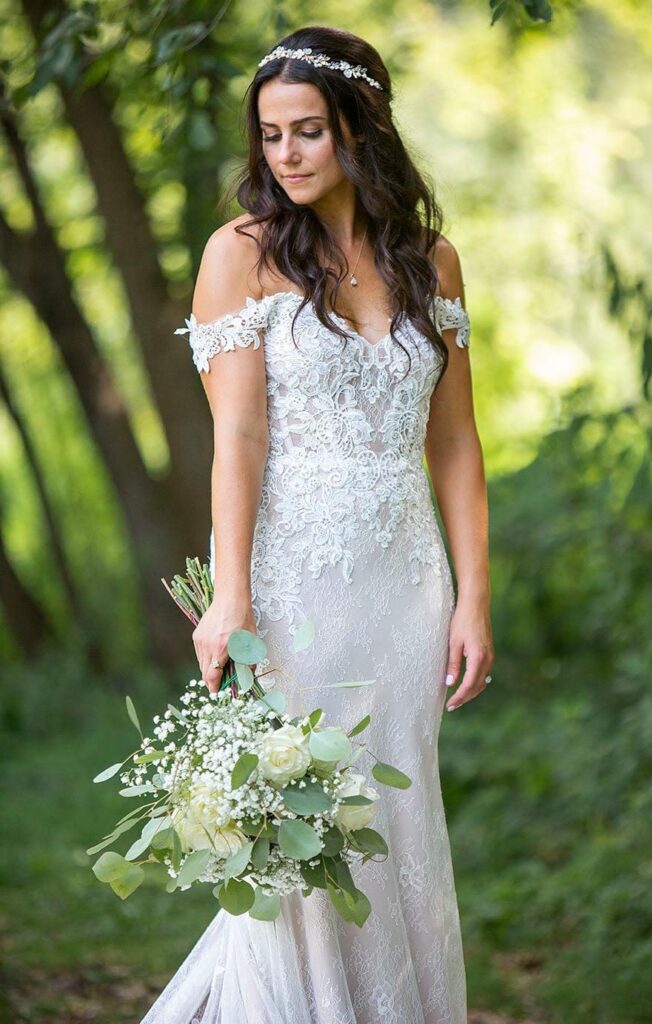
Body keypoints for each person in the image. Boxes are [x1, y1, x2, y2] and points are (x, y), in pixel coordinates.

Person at [141, 23, 494, 1024]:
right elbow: (239, 437)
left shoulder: (433, 260)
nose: (285, 155)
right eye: (270, 135)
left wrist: (474, 596)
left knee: (396, 815)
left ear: (360, 130)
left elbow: (457, 444)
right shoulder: (240, 256)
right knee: (302, 823)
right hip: (294, 579)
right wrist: (232, 600)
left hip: (407, 582)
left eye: (307, 132)